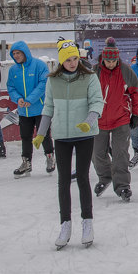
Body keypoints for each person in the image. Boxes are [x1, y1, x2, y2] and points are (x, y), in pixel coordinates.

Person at [34, 40, 103, 249]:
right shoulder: (52, 81)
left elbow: (97, 102)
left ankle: (87, 223)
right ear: (61, 62)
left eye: (75, 59)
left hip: (84, 135)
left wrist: (88, 122)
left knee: (82, 178)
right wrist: (41, 134)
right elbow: (48, 108)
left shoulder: (89, 78)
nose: (72, 63)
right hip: (62, 136)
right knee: (63, 180)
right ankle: (65, 225)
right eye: (68, 60)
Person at [92, 38, 138, 201]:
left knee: (120, 153)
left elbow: (137, 93)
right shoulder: (95, 72)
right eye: (108, 61)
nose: (111, 64)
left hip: (120, 118)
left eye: (114, 61)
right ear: (103, 59)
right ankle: (105, 176)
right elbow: (85, 94)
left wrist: (136, 114)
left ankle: (122, 186)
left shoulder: (126, 71)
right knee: (97, 153)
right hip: (98, 119)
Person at [7, 41, 53, 177]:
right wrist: (18, 99)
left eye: (18, 53)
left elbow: (43, 84)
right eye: (14, 54)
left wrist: (30, 100)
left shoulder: (39, 65)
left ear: (25, 52)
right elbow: (11, 87)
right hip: (23, 111)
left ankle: (50, 157)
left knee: (43, 134)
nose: (16, 56)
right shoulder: (13, 70)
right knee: (25, 137)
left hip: (39, 109)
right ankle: (26, 162)